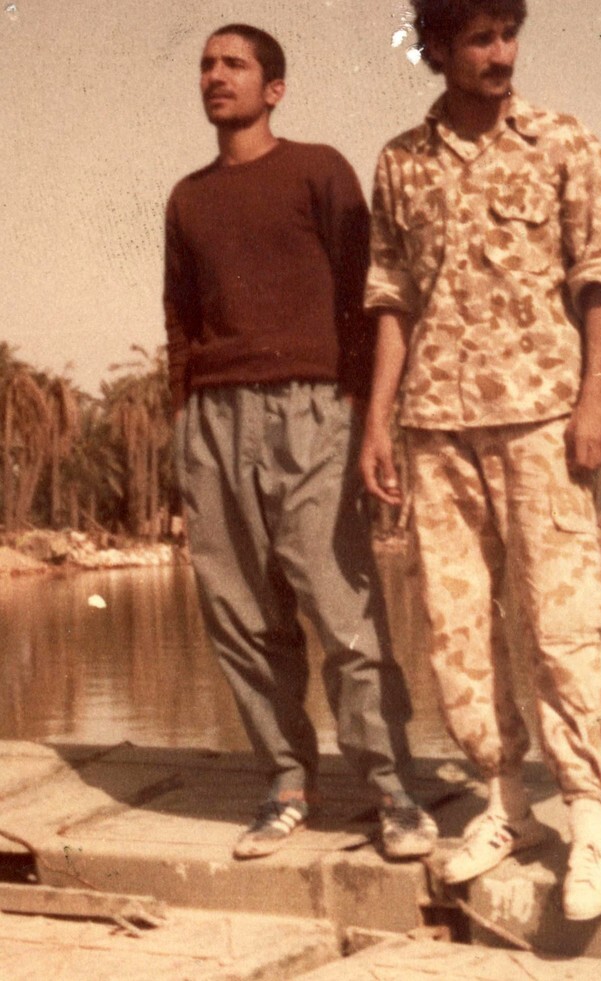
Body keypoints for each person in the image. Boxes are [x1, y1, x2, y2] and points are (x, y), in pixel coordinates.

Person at [360, 0, 601, 920]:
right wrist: (378, 422)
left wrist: (596, 397)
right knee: (457, 624)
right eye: (480, 39)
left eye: (509, 34)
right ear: (436, 49)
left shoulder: (563, 142)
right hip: (436, 423)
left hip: (543, 416)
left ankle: (590, 814)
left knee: (561, 619)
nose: (501, 54)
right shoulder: (400, 162)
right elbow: (392, 298)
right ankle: (506, 802)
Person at [164, 23, 437, 861]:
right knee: (240, 613)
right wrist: (184, 423)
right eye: (206, 64)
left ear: (273, 89)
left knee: (339, 602)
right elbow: (180, 319)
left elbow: (367, 293)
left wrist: (359, 411)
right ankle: (286, 783)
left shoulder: (319, 170)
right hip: (213, 418)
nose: (216, 75)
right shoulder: (187, 197)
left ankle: (392, 791)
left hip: (313, 409)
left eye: (234, 64)